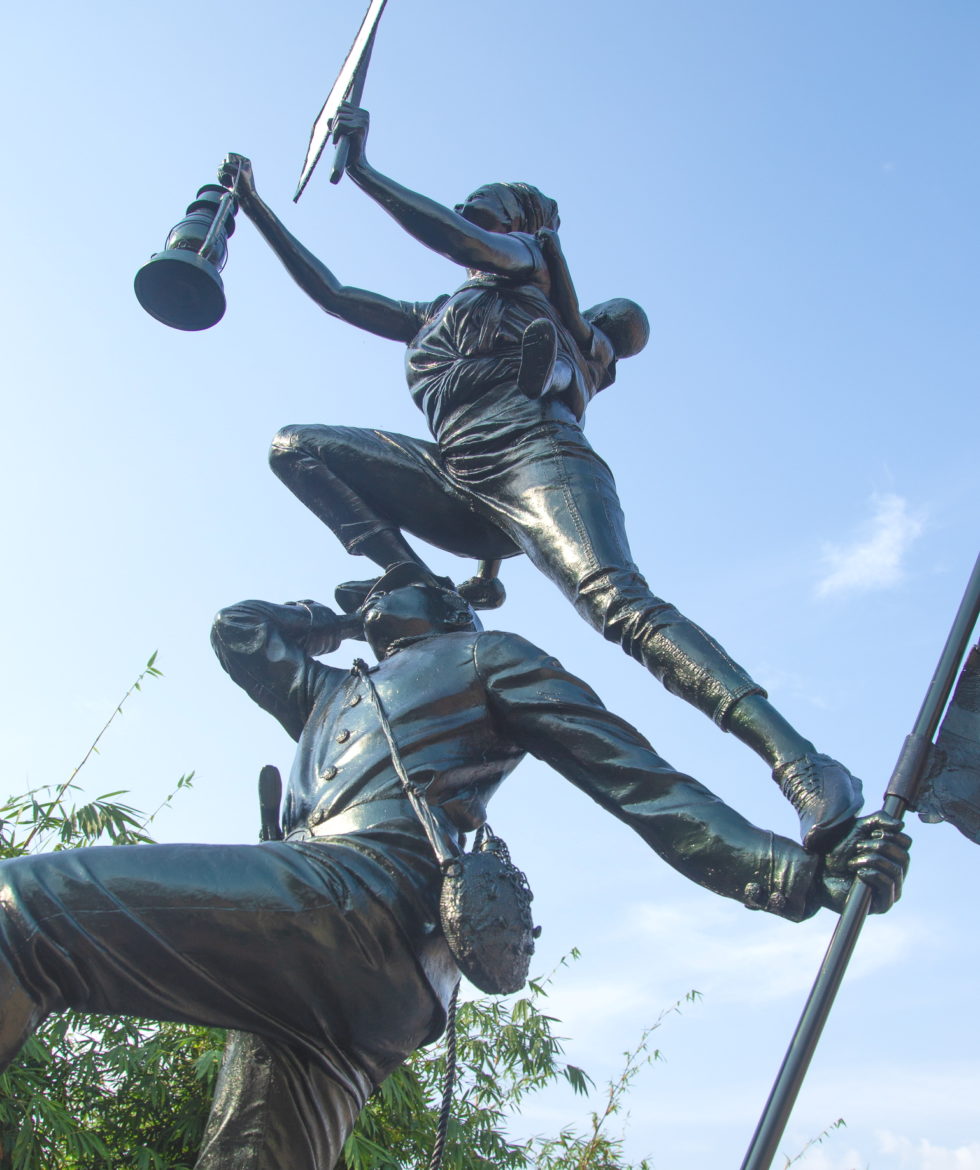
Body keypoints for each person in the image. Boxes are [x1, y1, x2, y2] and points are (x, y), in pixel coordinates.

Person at [0, 566, 908, 1169]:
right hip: (327, 972)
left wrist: (793, 877)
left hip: (362, 907)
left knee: (21, 913)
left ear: (446, 608)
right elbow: (238, 632)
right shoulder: (328, 692)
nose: (376, 593)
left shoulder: (488, 657)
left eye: (396, 586)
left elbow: (639, 782)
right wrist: (338, 614)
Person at [221, 104, 863, 852]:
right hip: (458, 480)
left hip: (537, 458)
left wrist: (363, 171)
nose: (473, 217)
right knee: (297, 447)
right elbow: (333, 294)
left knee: (621, 609)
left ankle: (804, 765)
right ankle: (416, 583)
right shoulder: (435, 310)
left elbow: (459, 237)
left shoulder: (528, 268)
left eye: (487, 208)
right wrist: (259, 211)